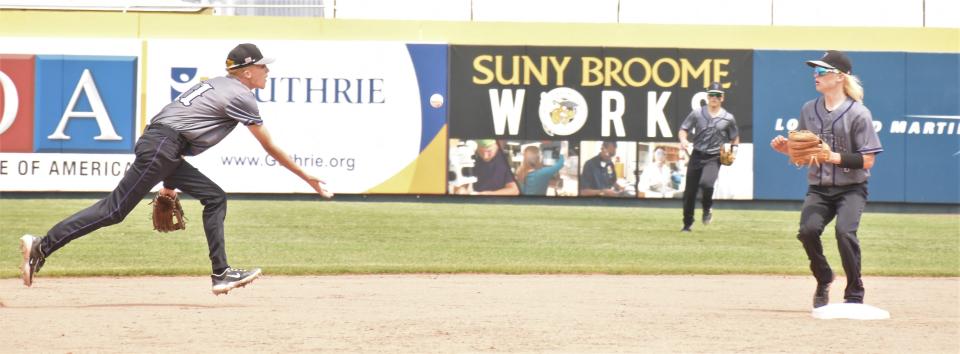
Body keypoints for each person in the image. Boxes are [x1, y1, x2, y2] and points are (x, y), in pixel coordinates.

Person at [18, 43, 333, 295]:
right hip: (162, 147)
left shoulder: (216, 84)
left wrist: (168, 185)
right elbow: (268, 146)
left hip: (163, 146)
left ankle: (221, 274)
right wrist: (307, 177)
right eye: (263, 66)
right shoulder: (241, 96)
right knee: (113, 210)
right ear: (247, 72)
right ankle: (42, 246)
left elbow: (175, 128)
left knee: (214, 197)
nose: (267, 71)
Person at [770, 50, 882, 308]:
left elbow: (868, 160)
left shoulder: (859, 113)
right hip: (819, 188)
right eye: (815, 71)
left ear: (840, 77)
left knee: (845, 233)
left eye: (822, 71)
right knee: (807, 232)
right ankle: (824, 277)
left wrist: (832, 156)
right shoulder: (809, 109)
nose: (815, 75)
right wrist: (786, 149)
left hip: (851, 188)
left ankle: (854, 293)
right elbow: (803, 154)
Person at [678, 82, 739, 232]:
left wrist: (733, 151)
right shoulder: (697, 113)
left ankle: (707, 208)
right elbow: (683, 129)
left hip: (714, 156)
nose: (714, 98)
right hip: (697, 154)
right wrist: (684, 140)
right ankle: (687, 224)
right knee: (690, 192)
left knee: (707, 184)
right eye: (711, 95)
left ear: (722, 98)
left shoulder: (728, 118)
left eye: (717, 95)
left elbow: (735, 137)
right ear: (707, 96)